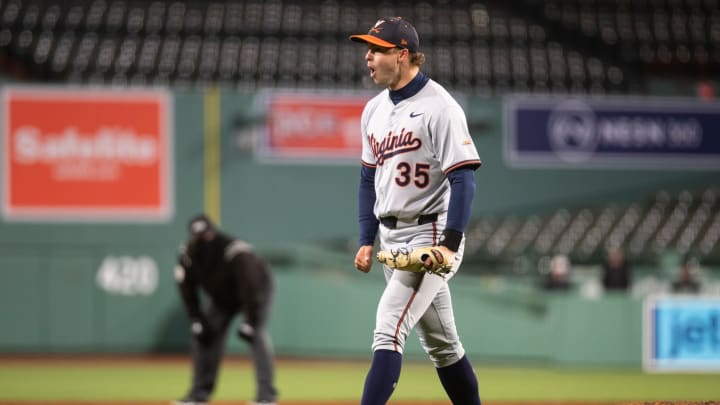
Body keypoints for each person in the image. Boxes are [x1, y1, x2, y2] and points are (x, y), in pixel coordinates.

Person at [350, 17, 483, 405]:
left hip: (431, 235)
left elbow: (464, 179)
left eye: (376, 49)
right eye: (368, 49)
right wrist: (365, 238)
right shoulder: (373, 110)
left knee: (388, 328)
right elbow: (366, 180)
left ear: (403, 54)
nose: (368, 57)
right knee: (443, 344)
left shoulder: (440, 107)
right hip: (391, 237)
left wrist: (450, 244)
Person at [173, 214, 277, 405]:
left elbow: (250, 286)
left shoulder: (234, 251)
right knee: (202, 336)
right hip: (221, 298)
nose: (204, 240)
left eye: (206, 236)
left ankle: (266, 396)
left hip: (256, 291)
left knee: (257, 334)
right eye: (199, 237)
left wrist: (250, 321)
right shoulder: (188, 255)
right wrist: (196, 318)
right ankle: (198, 395)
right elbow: (186, 288)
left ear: (213, 232)